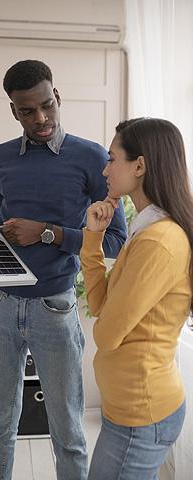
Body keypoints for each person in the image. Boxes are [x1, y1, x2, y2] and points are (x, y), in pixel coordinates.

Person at [0, 59, 127, 480]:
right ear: (14, 111)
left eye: (47, 105)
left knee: (67, 432)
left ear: (57, 97)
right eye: (28, 111)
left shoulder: (91, 157)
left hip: (56, 310)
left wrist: (47, 233)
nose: (41, 118)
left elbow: (115, 241)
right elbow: (7, 230)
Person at [80, 117, 193, 480]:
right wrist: (93, 239)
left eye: (112, 158)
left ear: (139, 166)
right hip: (127, 410)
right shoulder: (145, 230)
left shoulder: (158, 241)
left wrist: (108, 319)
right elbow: (99, 307)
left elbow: (106, 334)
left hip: (139, 415)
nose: (105, 168)